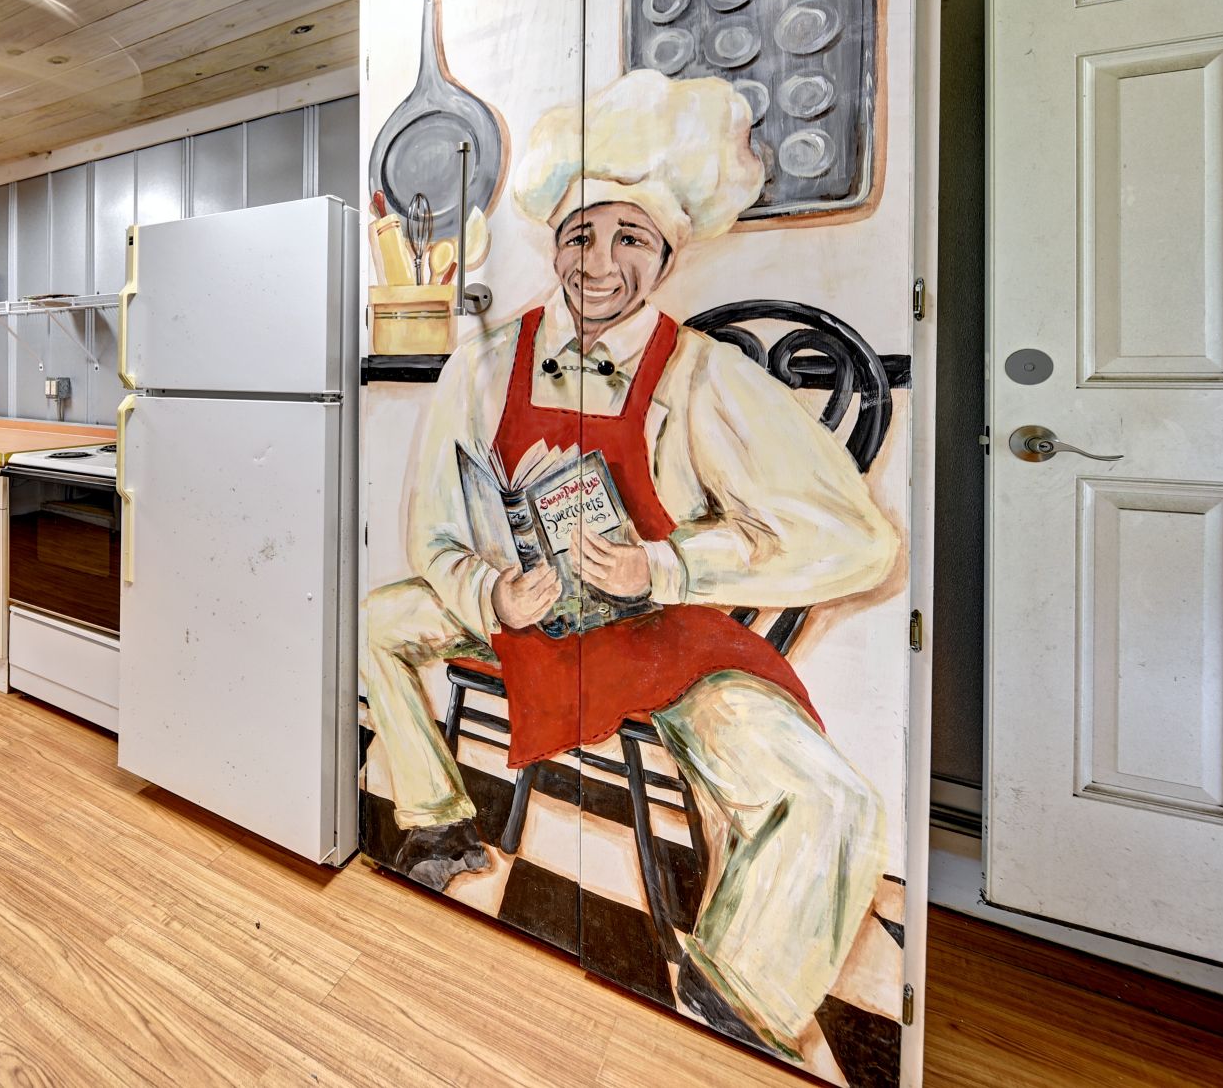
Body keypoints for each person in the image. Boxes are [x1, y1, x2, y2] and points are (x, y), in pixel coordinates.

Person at [362, 69, 897, 1061]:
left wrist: (672, 564)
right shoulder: (483, 360)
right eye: (579, 235)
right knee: (377, 621)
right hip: (523, 613)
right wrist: (490, 587)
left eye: (629, 238)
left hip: (664, 635)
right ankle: (439, 820)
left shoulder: (704, 373)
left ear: (666, 251)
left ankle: (737, 989)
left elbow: (858, 539)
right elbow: (432, 526)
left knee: (833, 798)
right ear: (553, 243)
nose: (599, 265)